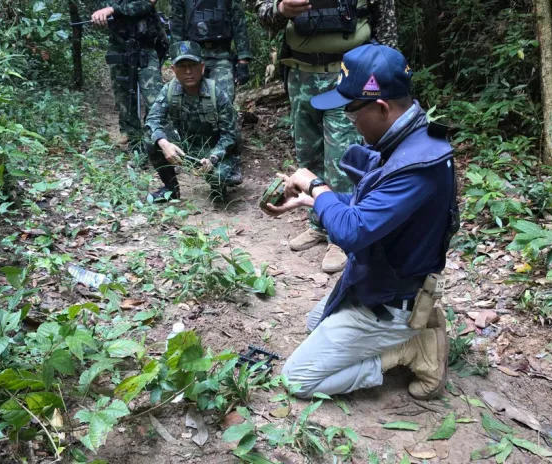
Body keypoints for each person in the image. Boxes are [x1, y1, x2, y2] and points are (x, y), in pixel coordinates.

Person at [264, 43, 459, 399]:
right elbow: (362, 207)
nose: (352, 124)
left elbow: (352, 231)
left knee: (296, 380)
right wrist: (311, 199)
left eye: (353, 113)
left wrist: (316, 184)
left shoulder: (417, 166)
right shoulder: (405, 142)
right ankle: (410, 333)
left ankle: (407, 349)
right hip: (376, 283)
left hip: (391, 300)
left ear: (381, 107)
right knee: (314, 324)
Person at [256, 0, 398, 274]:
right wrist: (281, 10)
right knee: (307, 156)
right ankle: (318, 224)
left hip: (349, 77)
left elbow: (388, 30)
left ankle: (342, 235)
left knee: (342, 160)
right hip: (300, 76)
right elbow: (263, 16)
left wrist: (384, 80)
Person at [144, 41, 243, 202]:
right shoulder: (169, 90)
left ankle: (220, 185)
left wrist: (213, 158)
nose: (188, 71)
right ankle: (171, 189)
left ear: (202, 67)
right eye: (182, 67)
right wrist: (164, 144)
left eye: (193, 65)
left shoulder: (216, 94)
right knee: (151, 138)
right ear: (173, 70)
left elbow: (230, 135)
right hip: (185, 146)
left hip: (212, 149)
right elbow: (153, 120)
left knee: (219, 178)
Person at [91, 0, 167, 146]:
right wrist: (100, 16)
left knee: (155, 98)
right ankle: (132, 137)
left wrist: (113, 9)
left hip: (146, 46)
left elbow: (146, 5)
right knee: (123, 96)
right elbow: (104, 8)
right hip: (119, 45)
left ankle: (155, 136)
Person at [170, 0, 252, 101]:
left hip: (221, 56)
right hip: (192, 57)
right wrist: (176, 59)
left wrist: (243, 60)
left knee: (225, 100)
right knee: (190, 101)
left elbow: (239, 24)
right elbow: (177, 25)